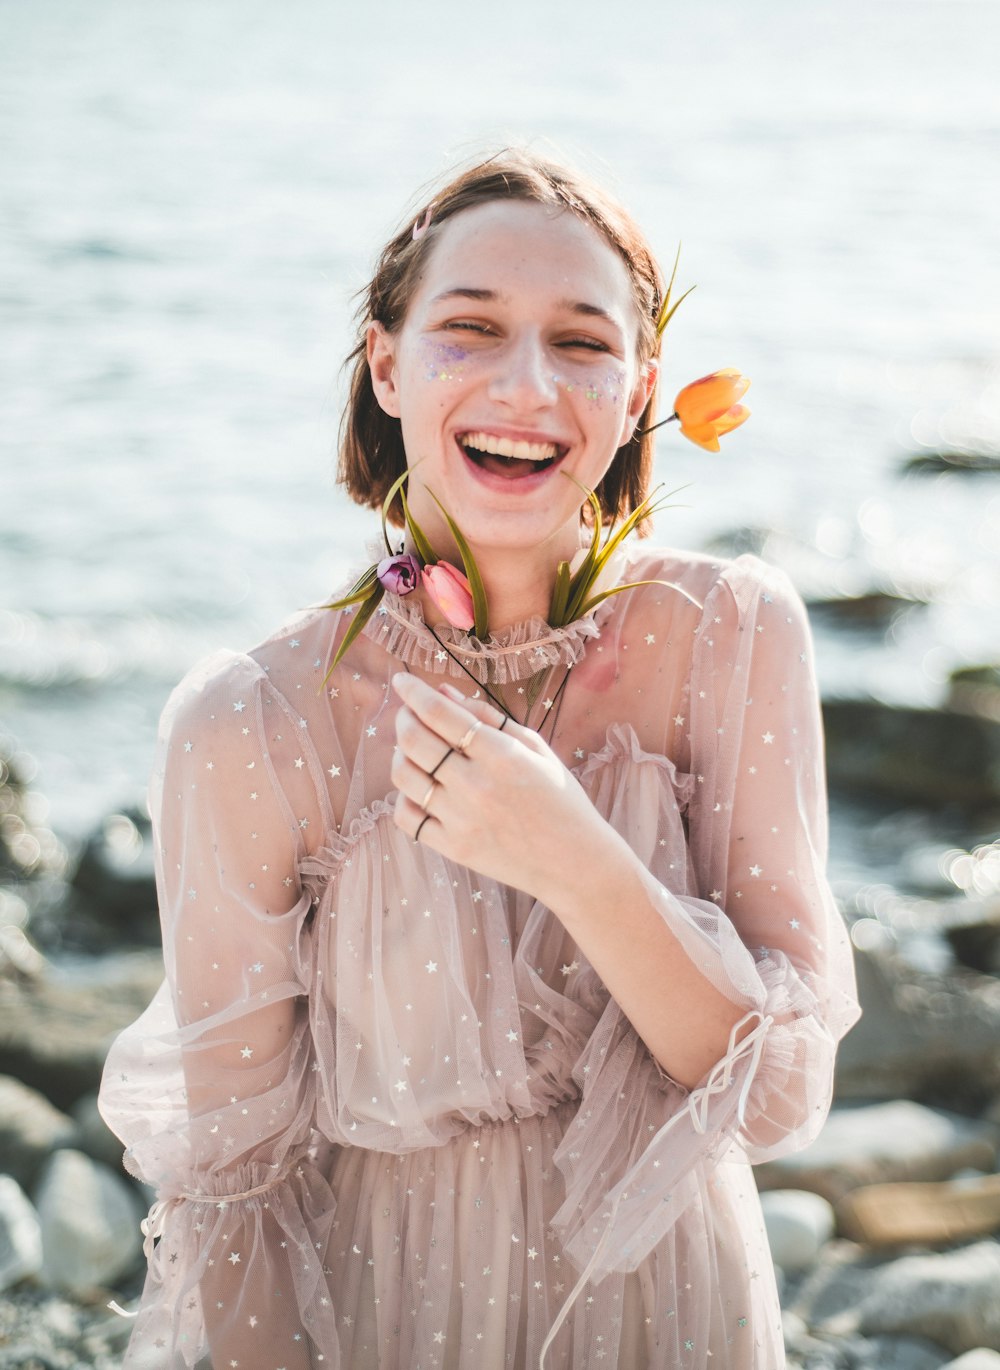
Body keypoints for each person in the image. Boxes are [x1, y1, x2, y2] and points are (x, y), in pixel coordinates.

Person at [99, 149, 860, 1369]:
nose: (526, 385)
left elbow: (771, 1099)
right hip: (377, 1322)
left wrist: (577, 859)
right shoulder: (253, 721)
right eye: (471, 327)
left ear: (639, 388)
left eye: (580, 342)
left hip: (676, 1318)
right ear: (386, 365)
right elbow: (232, 1194)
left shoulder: (732, 636)